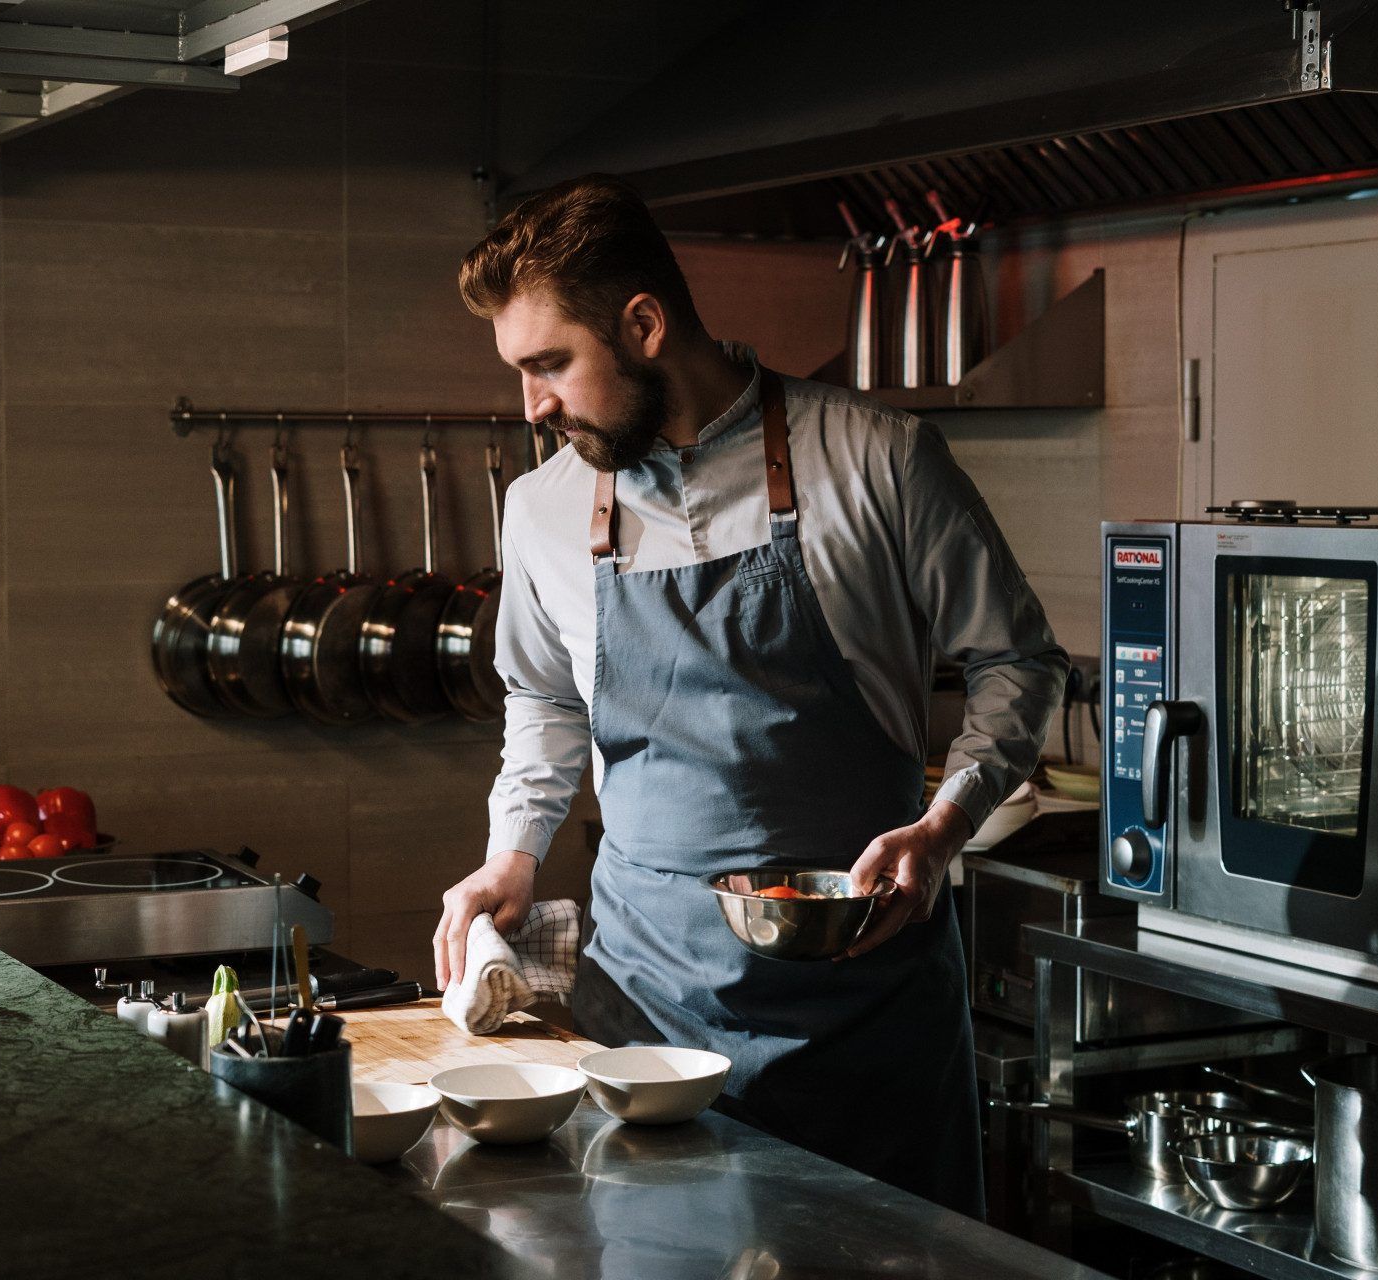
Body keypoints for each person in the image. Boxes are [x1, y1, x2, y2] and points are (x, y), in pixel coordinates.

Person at [432, 175, 1068, 1218]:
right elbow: (545, 696)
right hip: (645, 1015)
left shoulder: (877, 459)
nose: (531, 406)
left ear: (642, 324)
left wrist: (947, 823)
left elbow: (1016, 659)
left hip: (866, 1017)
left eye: (550, 364)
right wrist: (515, 848)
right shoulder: (539, 509)